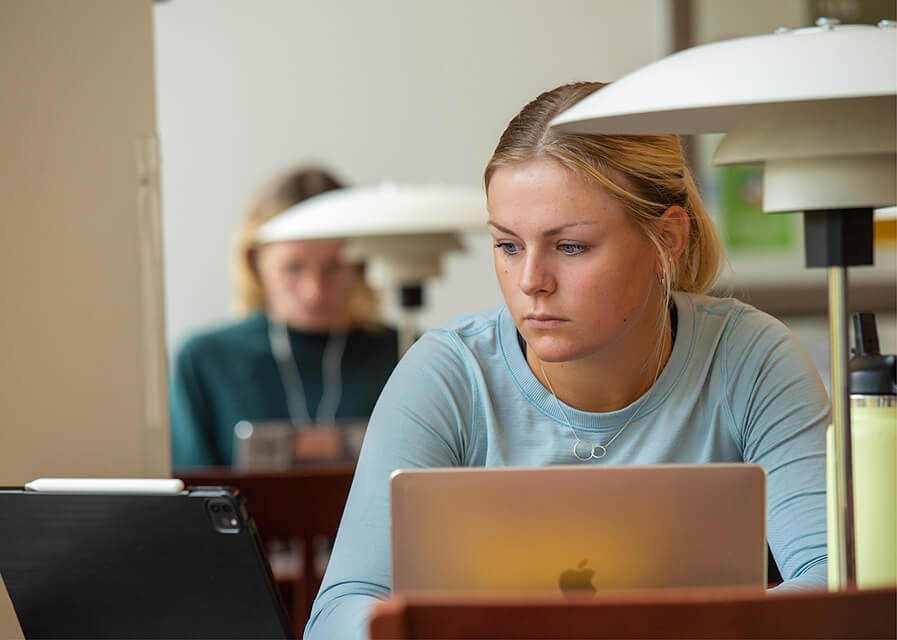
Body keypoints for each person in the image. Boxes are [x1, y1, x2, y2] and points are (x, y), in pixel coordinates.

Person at [304, 83, 830, 639]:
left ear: (667, 240)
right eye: (508, 246)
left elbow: (833, 581)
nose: (531, 282)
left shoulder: (751, 358)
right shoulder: (447, 374)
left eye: (571, 246)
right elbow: (338, 612)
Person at [170, 167, 399, 468]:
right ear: (255, 264)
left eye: (333, 267)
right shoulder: (206, 360)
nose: (313, 291)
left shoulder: (405, 353)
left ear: (360, 265)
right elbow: (194, 498)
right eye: (293, 268)